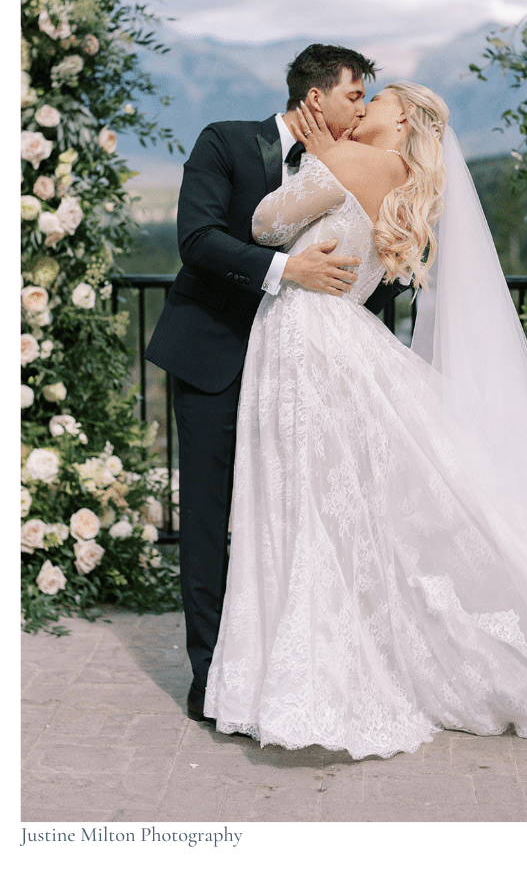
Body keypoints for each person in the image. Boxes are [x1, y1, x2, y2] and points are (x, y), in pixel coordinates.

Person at [200, 79, 527, 759]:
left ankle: (305, 673)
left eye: (378, 99)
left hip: (307, 339)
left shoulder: (350, 159)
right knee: (326, 503)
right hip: (333, 340)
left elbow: (265, 223)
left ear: (404, 118)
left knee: (302, 501)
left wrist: (314, 157)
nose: (364, 108)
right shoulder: (407, 179)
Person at [145, 44, 402, 728]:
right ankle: (211, 677)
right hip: (215, 359)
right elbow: (197, 239)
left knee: (290, 515)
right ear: (315, 97)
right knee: (207, 519)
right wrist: (287, 270)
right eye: (354, 96)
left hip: (302, 373)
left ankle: (278, 667)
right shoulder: (226, 141)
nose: (362, 110)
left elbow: (358, 274)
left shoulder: (352, 165)